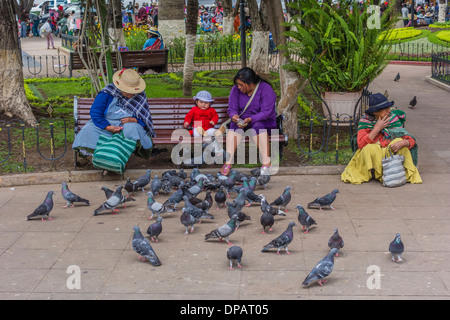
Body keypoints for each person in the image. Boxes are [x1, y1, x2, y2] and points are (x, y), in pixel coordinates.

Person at [72, 69, 155, 159]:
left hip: (126, 127)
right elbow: (95, 113)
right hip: (105, 125)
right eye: (128, 91)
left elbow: (144, 119)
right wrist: (107, 127)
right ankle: (102, 157)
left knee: (132, 129)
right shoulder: (106, 94)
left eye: (133, 92)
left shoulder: (140, 95)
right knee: (88, 129)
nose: (131, 95)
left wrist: (134, 120)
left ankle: (121, 156)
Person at [341, 93, 422, 185]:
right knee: (369, 148)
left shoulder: (392, 118)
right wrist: (376, 128)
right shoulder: (366, 121)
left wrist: (403, 143)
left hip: (391, 154)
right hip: (376, 155)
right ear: (375, 111)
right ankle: (376, 173)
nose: (389, 110)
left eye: (389, 107)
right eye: (385, 108)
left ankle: (399, 173)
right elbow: (361, 144)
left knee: (399, 142)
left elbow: (410, 139)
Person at [219, 67, 277, 176]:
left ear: (250, 83)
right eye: (238, 84)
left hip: (263, 121)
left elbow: (267, 112)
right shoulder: (235, 90)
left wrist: (251, 119)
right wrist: (234, 116)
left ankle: (266, 163)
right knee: (234, 125)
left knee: (258, 126)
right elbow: (232, 108)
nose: (238, 87)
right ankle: (228, 163)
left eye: (241, 85)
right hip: (243, 122)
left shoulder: (265, 89)